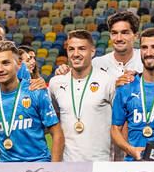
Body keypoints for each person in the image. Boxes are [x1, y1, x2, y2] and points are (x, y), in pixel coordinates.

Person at [0, 41, 62, 162]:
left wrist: (54, 168)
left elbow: (57, 134)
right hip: (7, 167)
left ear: (19, 63)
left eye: (6, 63)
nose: (0, 69)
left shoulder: (35, 91)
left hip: (39, 163)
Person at [47, 30, 118, 162]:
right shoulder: (55, 83)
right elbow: (54, 120)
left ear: (92, 52)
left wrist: (117, 161)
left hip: (101, 162)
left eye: (82, 49)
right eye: (71, 49)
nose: (76, 54)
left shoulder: (108, 80)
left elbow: (119, 123)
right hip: (68, 163)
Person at [111, 27, 154, 161]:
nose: (148, 53)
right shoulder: (125, 87)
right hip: (134, 162)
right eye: (144, 47)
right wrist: (129, 149)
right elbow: (115, 129)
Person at [91, 9, 143, 79]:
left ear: (135, 36)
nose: (119, 38)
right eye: (114, 33)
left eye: (124, 33)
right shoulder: (97, 64)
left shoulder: (145, 60)